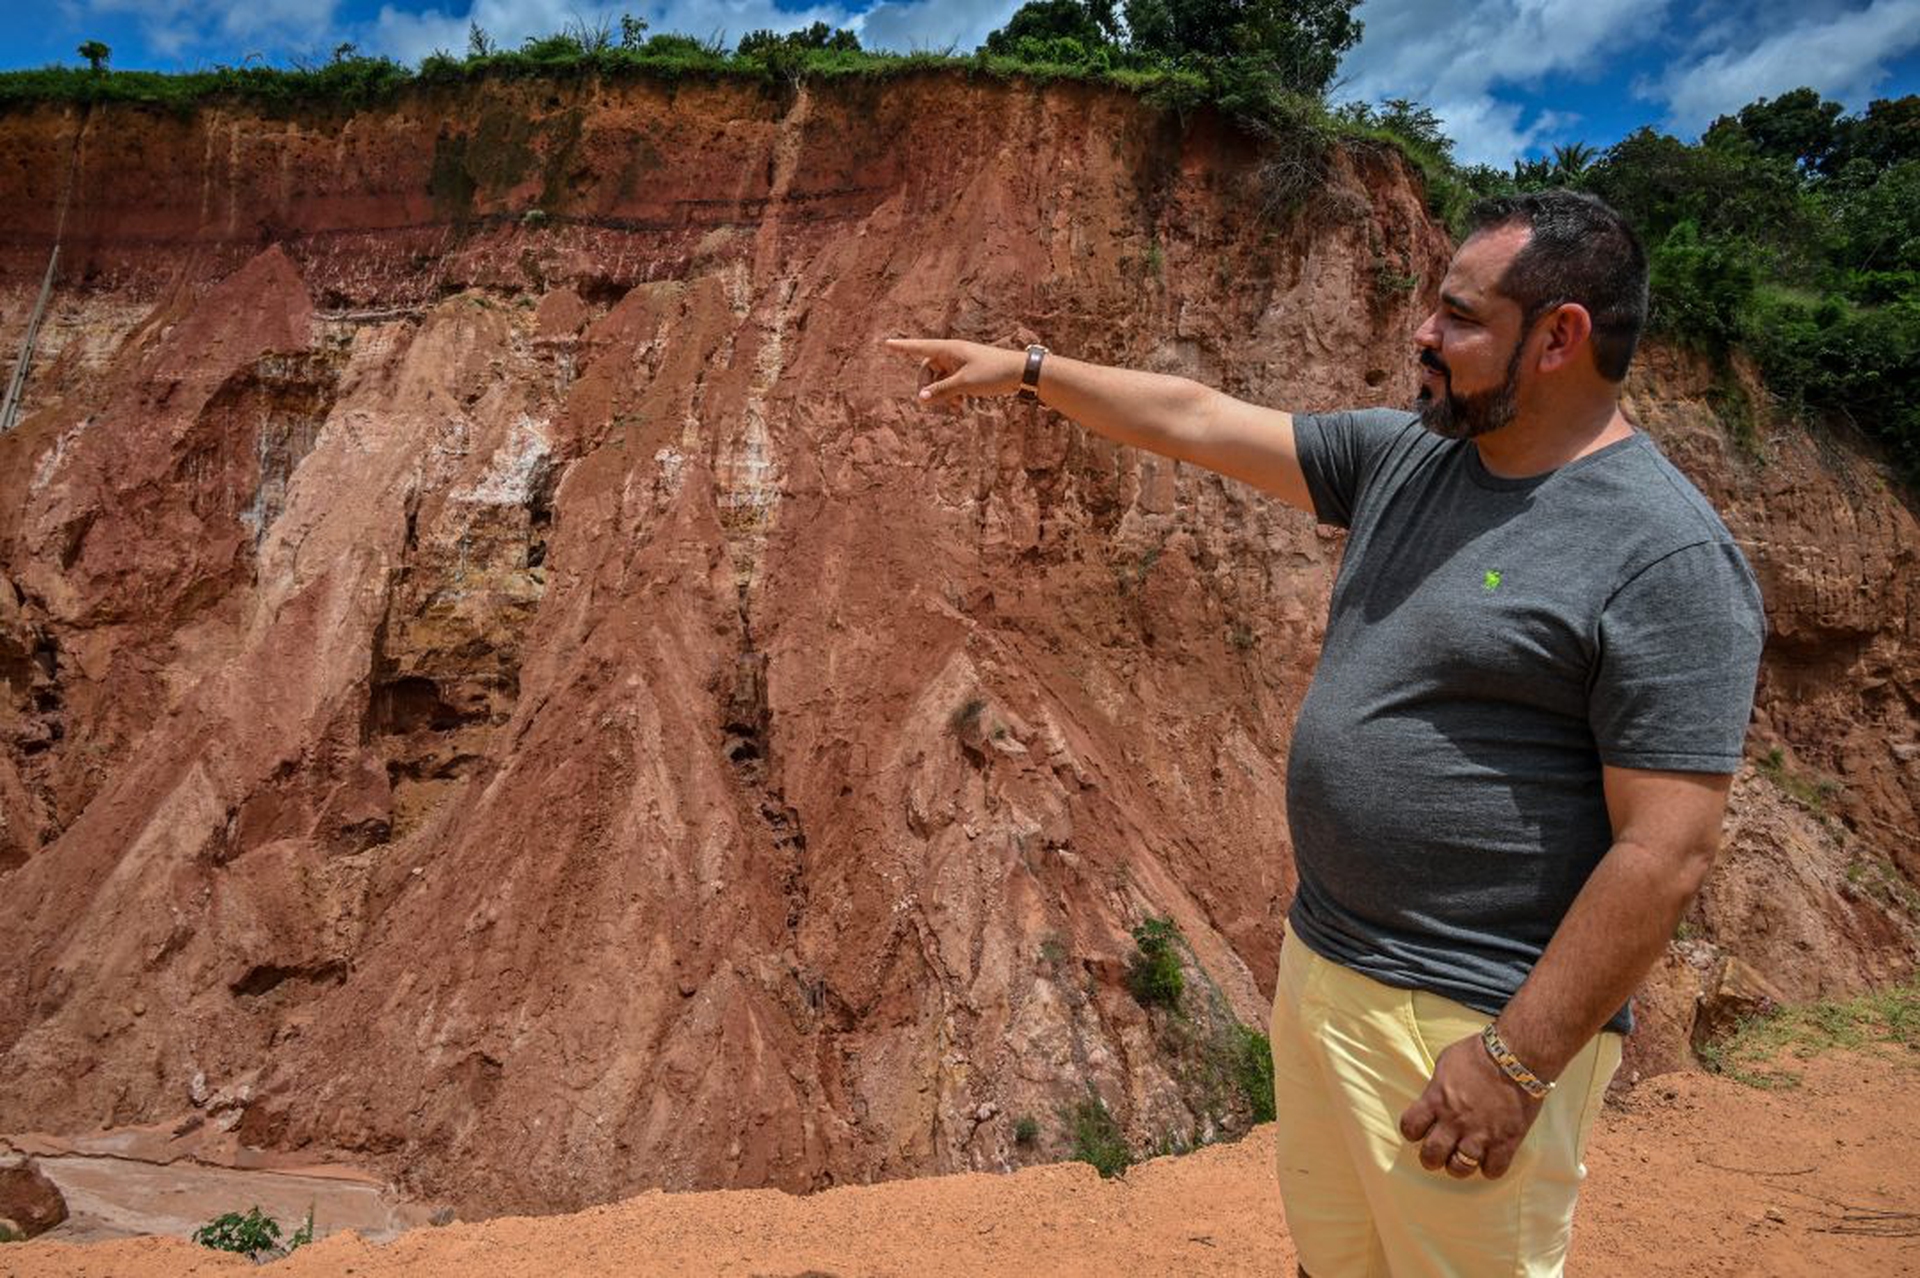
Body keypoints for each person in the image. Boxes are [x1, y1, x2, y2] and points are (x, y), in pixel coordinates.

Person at [883, 189, 1765, 1277]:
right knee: (1334, 1262)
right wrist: (1028, 370)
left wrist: (1516, 1061)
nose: (1422, 335)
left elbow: (1666, 850)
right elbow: (1195, 418)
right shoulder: (1410, 459)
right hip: (1328, 964)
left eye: (1459, 317)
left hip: (1468, 1014)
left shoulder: (1664, 555)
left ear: (1561, 338)